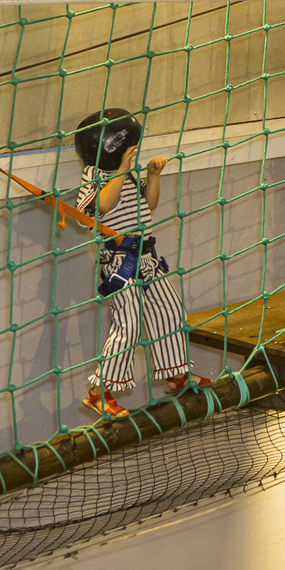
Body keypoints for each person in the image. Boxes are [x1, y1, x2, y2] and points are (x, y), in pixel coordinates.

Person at [73, 108, 202, 417]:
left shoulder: (127, 176)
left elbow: (149, 204)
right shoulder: (95, 176)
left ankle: (176, 376)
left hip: (148, 257)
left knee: (171, 310)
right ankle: (98, 392)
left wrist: (152, 177)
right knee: (128, 323)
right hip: (120, 262)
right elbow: (102, 205)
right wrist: (121, 169)